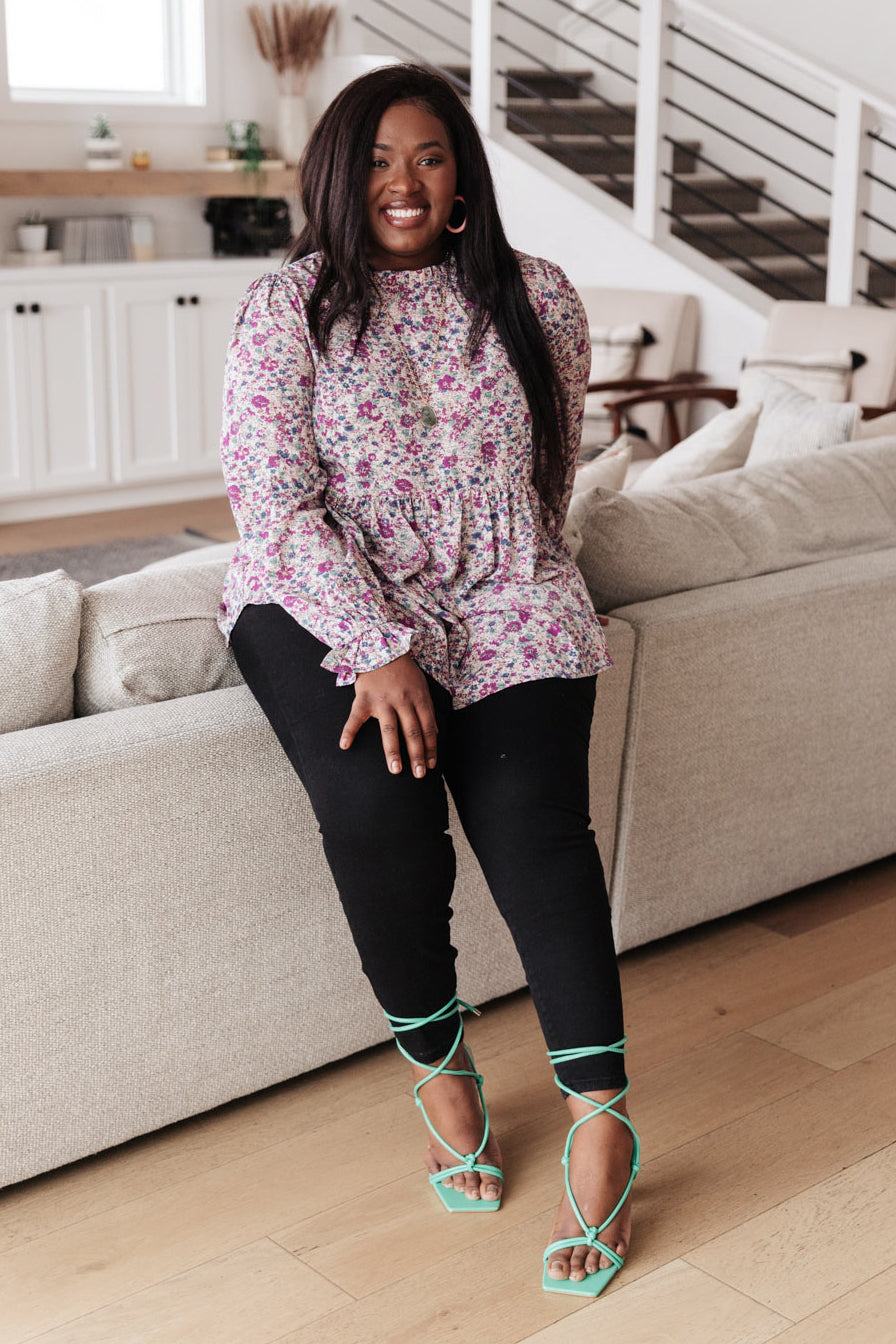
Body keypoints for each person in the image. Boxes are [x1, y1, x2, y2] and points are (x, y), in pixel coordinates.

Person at [218, 62, 639, 1297]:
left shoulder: (535, 295)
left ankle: (602, 1117)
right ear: (337, 177)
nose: (401, 184)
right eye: (376, 161)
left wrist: (511, 595)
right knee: (378, 807)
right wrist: (380, 645)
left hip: (504, 584)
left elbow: (549, 466)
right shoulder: (288, 305)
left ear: (461, 179)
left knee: (535, 826)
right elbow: (271, 502)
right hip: (321, 588)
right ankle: (440, 1065)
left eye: (429, 157)